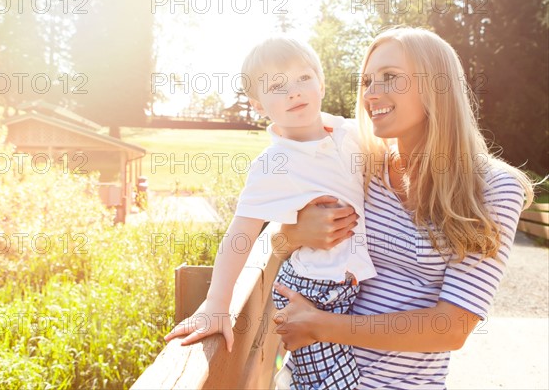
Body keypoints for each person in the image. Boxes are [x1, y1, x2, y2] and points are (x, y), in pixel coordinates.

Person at [270, 26, 535, 389]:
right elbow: (275, 242)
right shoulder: (361, 165)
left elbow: (451, 327)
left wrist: (319, 325)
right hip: (315, 377)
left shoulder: (491, 187)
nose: (371, 94)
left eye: (390, 78)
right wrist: (293, 234)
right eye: (367, 81)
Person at [165, 36, 376, 389]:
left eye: (303, 79)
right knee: (330, 383)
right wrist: (218, 302)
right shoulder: (273, 163)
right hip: (314, 290)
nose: (294, 91)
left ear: (321, 84)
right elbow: (240, 234)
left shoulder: (351, 133)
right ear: (258, 105)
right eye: (277, 86)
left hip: (355, 286)